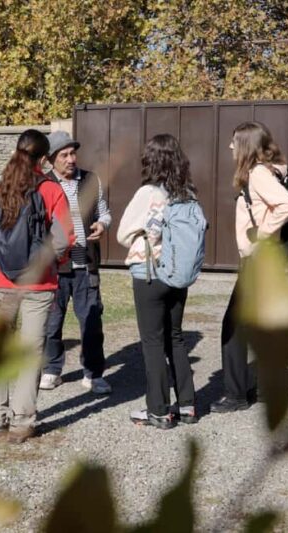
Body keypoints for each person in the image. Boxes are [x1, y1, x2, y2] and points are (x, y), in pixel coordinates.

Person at [0, 129, 75, 443]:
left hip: (1, 285)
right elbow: (64, 239)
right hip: (38, 287)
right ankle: (22, 423)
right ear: (43, 158)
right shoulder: (51, 191)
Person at [211, 121, 288, 413]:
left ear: (247, 145)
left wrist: (261, 233)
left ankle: (236, 395)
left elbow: (287, 205)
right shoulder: (273, 169)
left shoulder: (259, 174)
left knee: (232, 327)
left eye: (235, 141)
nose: (231, 147)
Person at [117, 134, 200, 429]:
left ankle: (159, 411)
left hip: (149, 273)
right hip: (179, 274)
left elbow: (123, 234)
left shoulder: (148, 193)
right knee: (174, 337)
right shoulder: (188, 193)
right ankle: (188, 406)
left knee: (152, 342)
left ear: (151, 160)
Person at [40, 131, 112, 394]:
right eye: (64, 155)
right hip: (54, 268)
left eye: (73, 153)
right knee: (51, 322)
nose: (71, 159)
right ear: (51, 160)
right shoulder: (43, 184)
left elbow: (104, 211)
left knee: (92, 322)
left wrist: (102, 224)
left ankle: (93, 374)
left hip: (87, 264)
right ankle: (51, 370)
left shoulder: (91, 180)